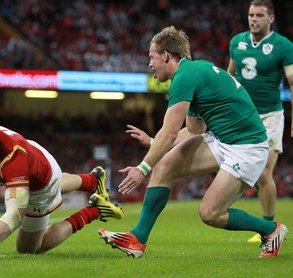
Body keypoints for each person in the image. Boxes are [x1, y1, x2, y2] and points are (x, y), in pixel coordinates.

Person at [98, 26, 288, 259]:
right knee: (164, 166)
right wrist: (154, 142)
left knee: (210, 214)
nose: (150, 64)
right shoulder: (194, 71)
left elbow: (170, 133)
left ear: (166, 55)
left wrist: (142, 169)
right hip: (224, 139)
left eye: (152, 57)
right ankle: (138, 239)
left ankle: (271, 230)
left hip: (247, 147)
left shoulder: (184, 77)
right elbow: (194, 129)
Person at [0, 113, 124, 254]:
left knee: (29, 249)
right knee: (57, 183)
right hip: (33, 155)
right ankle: (94, 179)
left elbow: (15, 213)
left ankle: (95, 209)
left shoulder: (13, 156)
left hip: (39, 181)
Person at [227, 0, 293, 243]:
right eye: (251, 15)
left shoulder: (283, 46)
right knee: (245, 171)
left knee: (264, 173)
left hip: (270, 116)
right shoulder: (237, 42)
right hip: (243, 115)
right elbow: (230, 78)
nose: (253, 19)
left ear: (271, 19)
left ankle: (268, 226)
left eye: (259, 15)